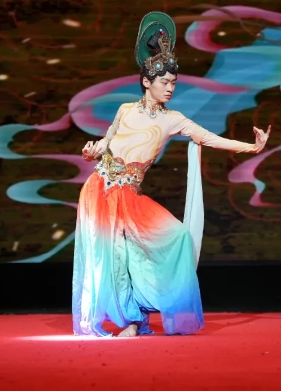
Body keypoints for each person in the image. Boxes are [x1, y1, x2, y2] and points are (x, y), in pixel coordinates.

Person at [72, 11, 270, 337]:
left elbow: (208, 137)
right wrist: (92, 151)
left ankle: (146, 311)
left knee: (176, 237)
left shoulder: (172, 119)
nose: (170, 88)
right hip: (101, 189)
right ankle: (132, 321)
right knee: (116, 259)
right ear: (146, 82)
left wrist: (252, 147)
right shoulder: (125, 110)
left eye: (173, 83)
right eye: (164, 82)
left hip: (129, 195)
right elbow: (107, 142)